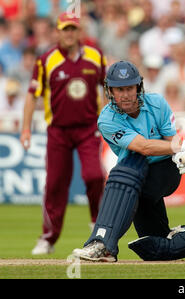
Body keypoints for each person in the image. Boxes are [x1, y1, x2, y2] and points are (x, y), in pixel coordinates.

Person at [71, 60, 185, 262]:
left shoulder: (157, 103)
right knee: (156, 247)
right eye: (119, 89)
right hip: (135, 181)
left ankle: (102, 244)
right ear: (110, 91)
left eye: (129, 88)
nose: (125, 94)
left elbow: (171, 143)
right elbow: (143, 147)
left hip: (163, 171)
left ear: (138, 87)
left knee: (124, 171)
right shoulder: (107, 119)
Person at [20, 12, 107, 255]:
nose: (69, 34)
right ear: (57, 31)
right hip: (58, 130)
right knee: (56, 183)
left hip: (89, 128)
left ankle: (99, 227)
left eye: (73, 29)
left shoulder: (95, 55)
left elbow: (107, 88)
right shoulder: (46, 59)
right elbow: (31, 95)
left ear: (80, 32)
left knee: (93, 175)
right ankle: (48, 237)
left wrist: (107, 118)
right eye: (65, 29)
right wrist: (25, 127)